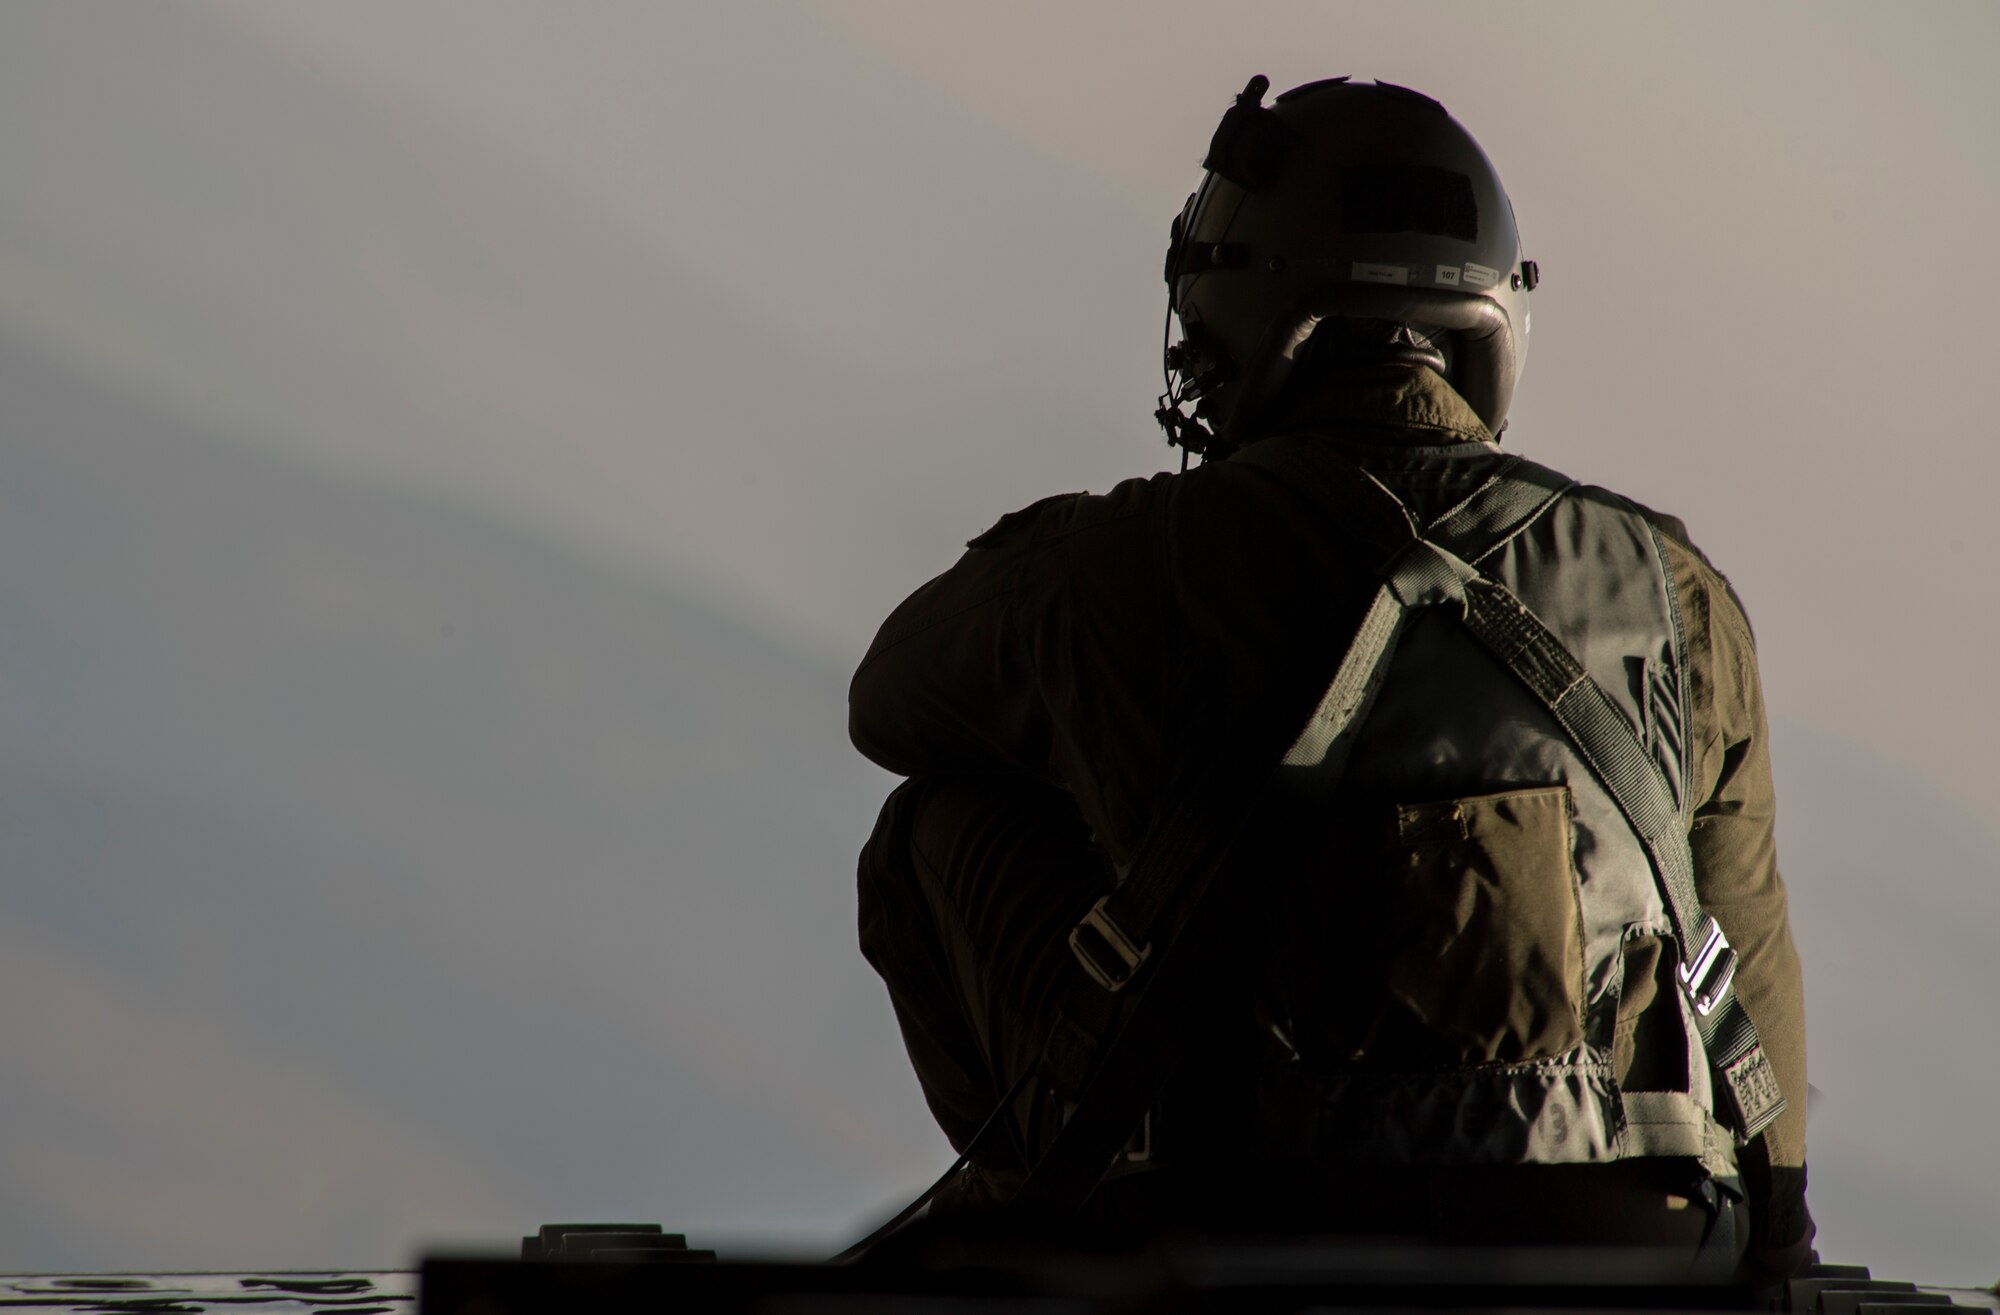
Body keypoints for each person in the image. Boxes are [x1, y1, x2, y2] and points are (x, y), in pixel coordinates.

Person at [849, 75, 1810, 1279]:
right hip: (1627, 1230)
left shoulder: (1128, 562)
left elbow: (887, 701)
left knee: (932, 820)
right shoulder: (1675, 588)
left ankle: (1040, 1225)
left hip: (1237, 1213)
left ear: (1231, 317)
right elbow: (1743, 955)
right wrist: (1774, 1248)